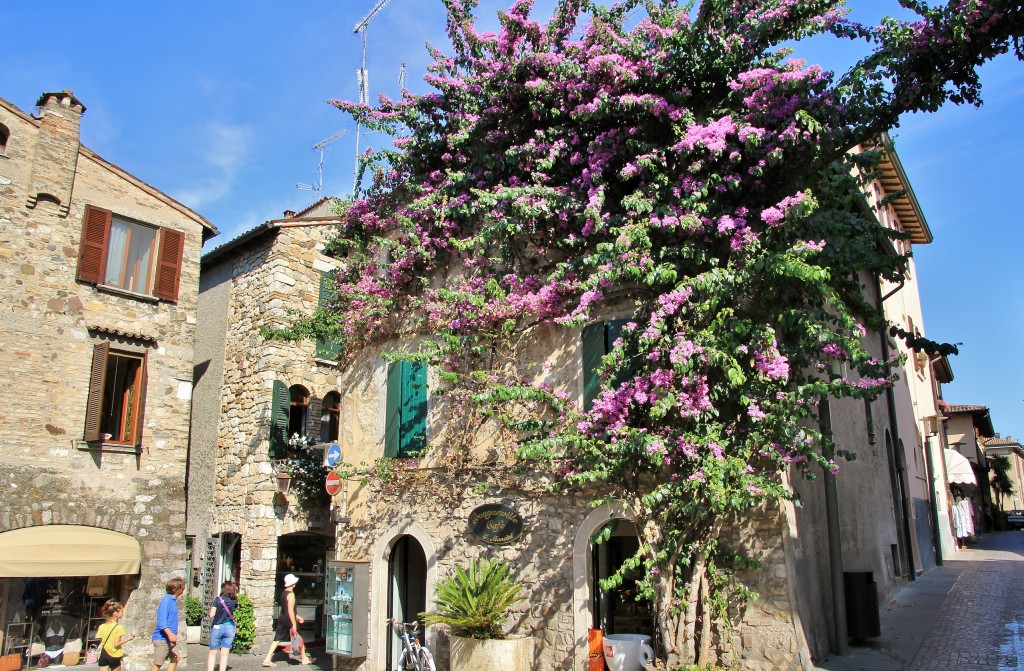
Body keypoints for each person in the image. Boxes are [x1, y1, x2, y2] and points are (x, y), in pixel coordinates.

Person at [261, 574, 309, 667]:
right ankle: (304, 658)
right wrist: (294, 624)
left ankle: (267, 658)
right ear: (293, 584)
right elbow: (290, 611)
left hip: (282, 618)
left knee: (277, 639)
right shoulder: (291, 595)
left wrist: (297, 616)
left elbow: (286, 609)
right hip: (289, 620)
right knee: (299, 638)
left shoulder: (284, 593)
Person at [150, 577, 185, 671]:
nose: (184, 588)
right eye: (182, 586)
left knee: (175, 658)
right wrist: (170, 635)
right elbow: (162, 621)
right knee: (157, 664)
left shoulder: (173, 600)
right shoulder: (167, 600)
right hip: (162, 639)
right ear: (175, 589)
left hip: (169, 639)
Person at [207, 581, 238, 671]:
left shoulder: (218, 600)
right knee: (225, 654)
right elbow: (234, 609)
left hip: (218, 627)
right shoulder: (234, 601)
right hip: (230, 628)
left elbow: (211, 615)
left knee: (212, 652)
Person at [96, 600, 136, 671]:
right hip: (114, 655)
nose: (123, 613)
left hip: (104, 654)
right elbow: (116, 644)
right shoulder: (118, 627)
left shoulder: (102, 626)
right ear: (116, 613)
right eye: (121, 611)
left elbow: (102, 641)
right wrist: (129, 639)